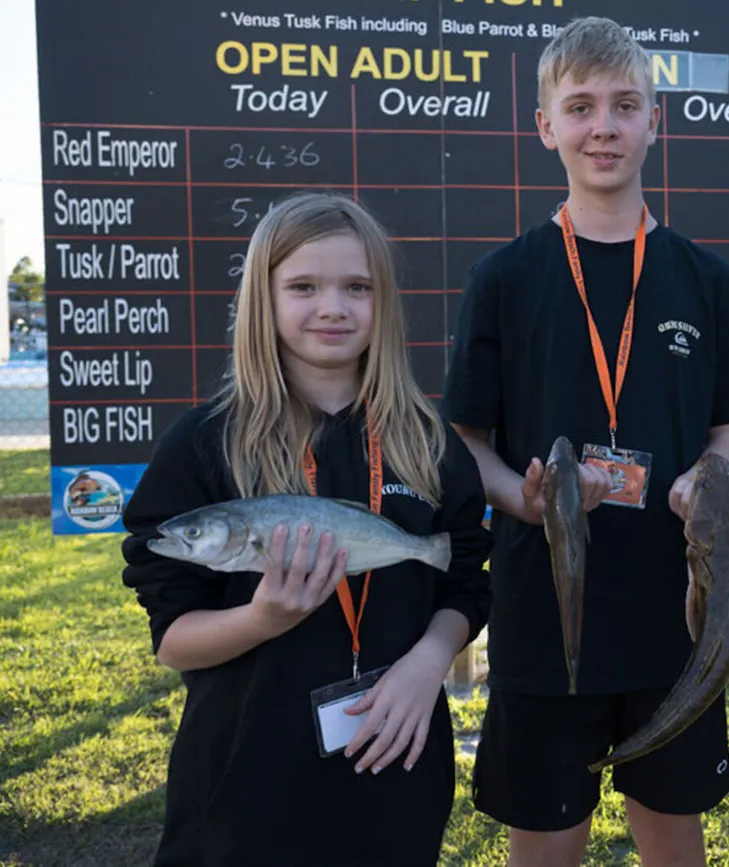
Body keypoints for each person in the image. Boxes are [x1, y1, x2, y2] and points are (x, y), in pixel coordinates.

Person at [442, 15, 729, 866]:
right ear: (546, 126)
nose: (605, 126)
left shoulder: (704, 278)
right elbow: (466, 443)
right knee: (546, 842)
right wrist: (514, 492)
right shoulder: (504, 279)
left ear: (655, 122)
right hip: (541, 620)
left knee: (673, 837)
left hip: (678, 616)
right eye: (582, 106)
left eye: (626, 105)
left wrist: (708, 475)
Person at [120, 191, 494, 866]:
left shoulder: (427, 442)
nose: (332, 306)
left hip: (396, 763)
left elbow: (464, 577)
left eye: (357, 286)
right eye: (303, 286)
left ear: (384, 302)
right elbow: (174, 639)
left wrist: (431, 659)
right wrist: (263, 618)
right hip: (246, 781)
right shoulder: (205, 444)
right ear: (263, 298)